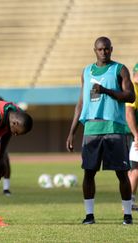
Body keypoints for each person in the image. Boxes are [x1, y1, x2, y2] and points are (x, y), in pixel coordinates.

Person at [66, 36, 135, 225]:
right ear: (94, 50)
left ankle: (127, 215)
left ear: (111, 49)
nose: (103, 52)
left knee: (122, 172)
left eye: (106, 49)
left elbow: (130, 95)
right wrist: (72, 132)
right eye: (100, 49)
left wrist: (106, 91)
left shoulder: (119, 69)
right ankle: (89, 215)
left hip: (114, 126)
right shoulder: (86, 72)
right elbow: (81, 103)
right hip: (92, 128)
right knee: (89, 172)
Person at [125, 63, 138, 210]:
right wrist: (136, 135)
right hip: (132, 134)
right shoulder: (133, 89)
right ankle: (128, 202)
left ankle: (129, 202)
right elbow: (129, 114)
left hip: (134, 133)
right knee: (136, 169)